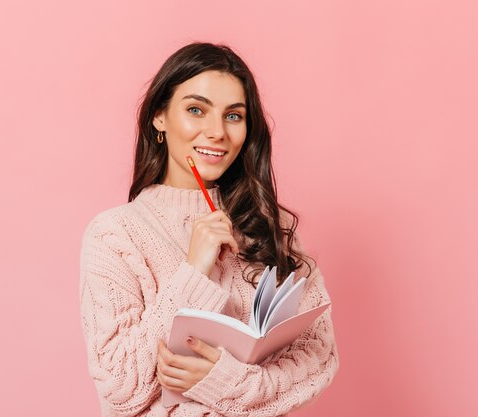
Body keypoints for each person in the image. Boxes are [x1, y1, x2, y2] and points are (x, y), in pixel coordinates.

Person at [79, 42, 339, 417]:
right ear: (159, 118)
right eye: (196, 110)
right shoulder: (115, 234)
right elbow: (120, 388)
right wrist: (193, 272)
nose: (216, 132)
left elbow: (319, 359)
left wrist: (225, 382)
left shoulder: (270, 225)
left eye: (233, 116)